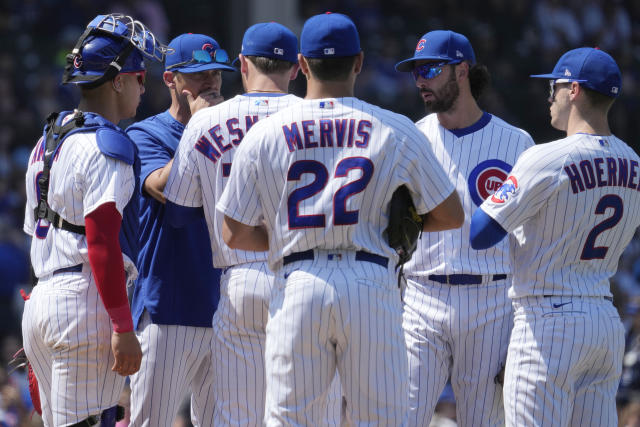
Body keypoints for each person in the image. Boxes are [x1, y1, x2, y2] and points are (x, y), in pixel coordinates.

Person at [216, 12, 464, 425]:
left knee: (291, 419)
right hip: (370, 281)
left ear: (304, 64)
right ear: (359, 62)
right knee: (381, 419)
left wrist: (281, 238)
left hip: (298, 282)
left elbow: (234, 232)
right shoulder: (395, 128)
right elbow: (451, 214)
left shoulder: (265, 134)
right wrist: (397, 229)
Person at [470, 47, 638, 426]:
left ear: (574, 90)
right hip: (603, 318)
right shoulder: (634, 162)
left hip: (549, 322)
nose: (550, 97)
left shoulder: (546, 157)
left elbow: (480, 233)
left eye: (555, 87)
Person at [21, 13, 166, 426]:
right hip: (84, 305)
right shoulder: (108, 145)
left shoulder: (50, 135)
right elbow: (102, 242)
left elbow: (35, 229)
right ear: (117, 80)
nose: (144, 86)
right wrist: (122, 326)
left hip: (43, 299)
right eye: (140, 77)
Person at [163, 22, 304, 425]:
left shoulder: (206, 120)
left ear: (242, 64)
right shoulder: (315, 116)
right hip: (306, 273)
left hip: (240, 274)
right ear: (296, 68)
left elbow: (177, 214)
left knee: (238, 417)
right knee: (310, 413)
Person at [394, 30, 534, 426]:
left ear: (462, 70)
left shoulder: (516, 142)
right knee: (399, 416)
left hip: (491, 298)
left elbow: (530, 234)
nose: (421, 79)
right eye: (416, 71)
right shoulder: (411, 138)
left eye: (431, 69)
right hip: (421, 293)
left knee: (484, 421)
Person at [126, 33, 235, 427]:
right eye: (200, 74)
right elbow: (164, 188)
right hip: (167, 308)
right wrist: (204, 126)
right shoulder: (144, 134)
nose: (211, 83)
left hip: (228, 309)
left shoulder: (235, 135)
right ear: (171, 79)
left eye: (217, 74)